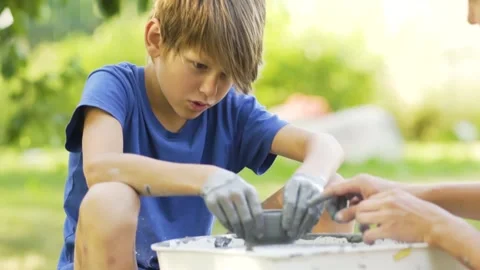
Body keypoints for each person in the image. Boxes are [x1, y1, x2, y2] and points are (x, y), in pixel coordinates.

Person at [57, 1, 347, 270]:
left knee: (331, 192)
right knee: (111, 197)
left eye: (225, 75)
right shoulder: (114, 86)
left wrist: (311, 178)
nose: (210, 90)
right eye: (199, 66)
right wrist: (206, 178)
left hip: (191, 262)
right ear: (156, 39)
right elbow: (100, 167)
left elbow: (324, 145)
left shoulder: (230, 110)